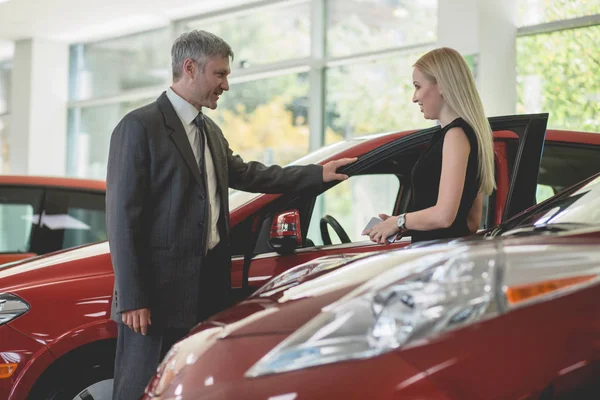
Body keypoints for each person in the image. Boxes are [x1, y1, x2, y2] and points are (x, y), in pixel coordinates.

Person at [106, 30, 355, 400]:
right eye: (219, 74)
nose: (226, 85)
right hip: (155, 298)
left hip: (206, 290)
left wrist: (317, 174)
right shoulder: (139, 127)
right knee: (141, 389)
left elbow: (252, 175)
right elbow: (122, 219)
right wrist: (132, 296)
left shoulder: (210, 131)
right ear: (190, 68)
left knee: (189, 389)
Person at [365, 47, 495, 244]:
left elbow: (444, 216)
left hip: (437, 261)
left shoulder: (455, 136)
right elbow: (470, 222)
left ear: (441, 85)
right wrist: (403, 225)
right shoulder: (463, 135)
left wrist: (400, 221)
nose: (414, 97)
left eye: (418, 86)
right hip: (445, 257)